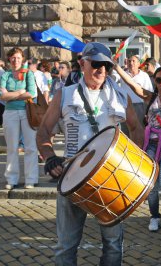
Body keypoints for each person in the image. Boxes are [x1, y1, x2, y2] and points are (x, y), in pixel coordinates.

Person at [36, 42, 143, 266]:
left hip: (110, 179)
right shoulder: (65, 95)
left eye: (106, 66)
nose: (101, 70)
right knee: (66, 247)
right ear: (82, 64)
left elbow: (136, 128)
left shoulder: (121, 96)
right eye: (96, 64)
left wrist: (133, 162)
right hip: (72, 178)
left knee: (113, 245)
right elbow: (44, 130)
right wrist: (49, 157)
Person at [114, 50, 161, 233]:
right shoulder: (151, 97)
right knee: (150, 185)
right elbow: (132, 85)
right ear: (154, 81)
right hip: (152, 143)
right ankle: (154, 216)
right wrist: (116, 67)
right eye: (159, 79)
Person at [0, 48, 38, 190]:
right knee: (12, 147)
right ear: (9, 59)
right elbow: (1, 95)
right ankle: (11, 178)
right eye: (13, 58)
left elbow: (31, 94)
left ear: (23, 59)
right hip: (10, 113)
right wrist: (20, 92)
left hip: (27, 112)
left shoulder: (28, 74)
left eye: (19, 58)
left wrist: (11, 94)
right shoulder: (6, 75)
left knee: (30, 147)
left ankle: (31, 179)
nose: (16, 61)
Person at [117, 55, 153, 136]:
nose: (131, 63)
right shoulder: (122, 74)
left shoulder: (144, 76)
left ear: (138, 63)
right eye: (129, 61)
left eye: (133, 61)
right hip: (125, 107)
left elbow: (149, 92)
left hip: (140, 107)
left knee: (139, 132)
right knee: (125, 132)